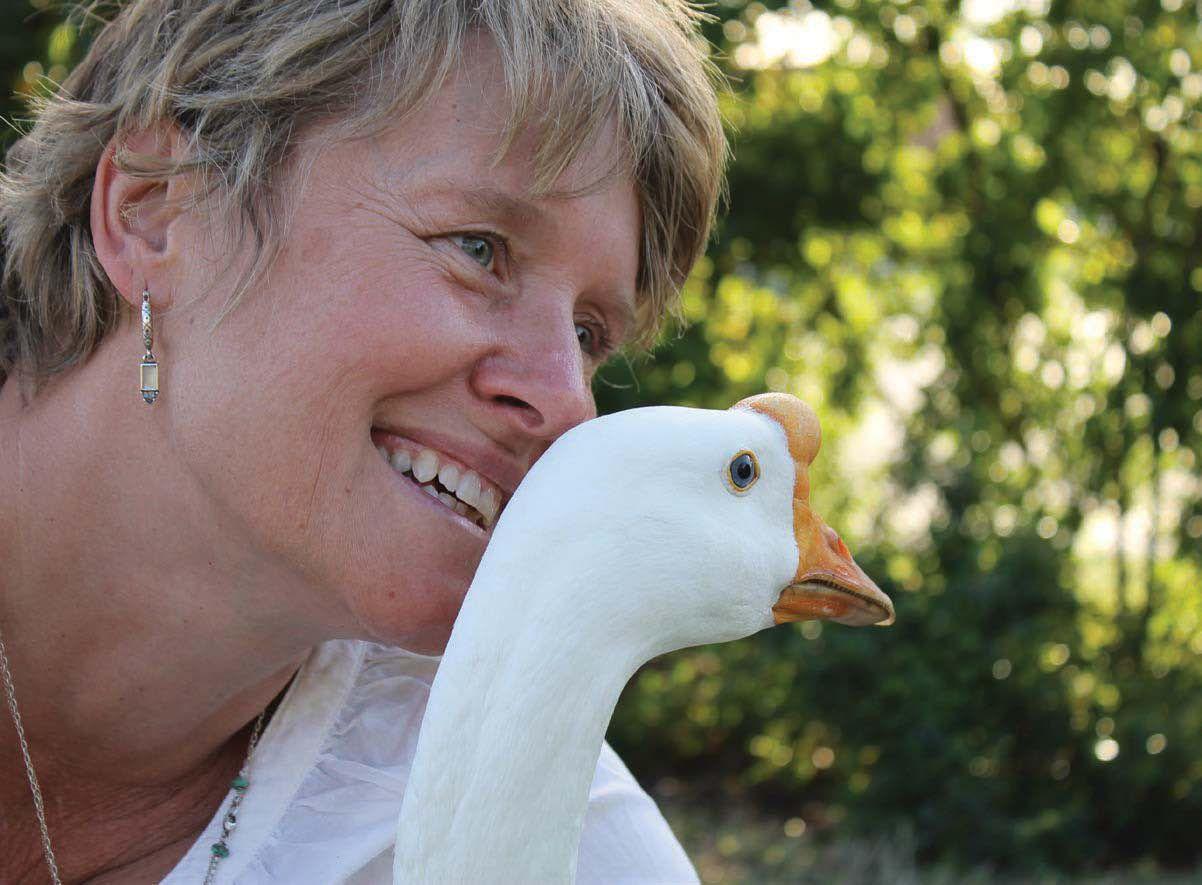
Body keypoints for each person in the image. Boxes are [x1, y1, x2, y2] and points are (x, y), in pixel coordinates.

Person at [0, 0, 725, 881]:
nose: (566, 401)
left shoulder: (538, 843)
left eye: (589, 333)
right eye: (478, 249)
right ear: (156, 210)